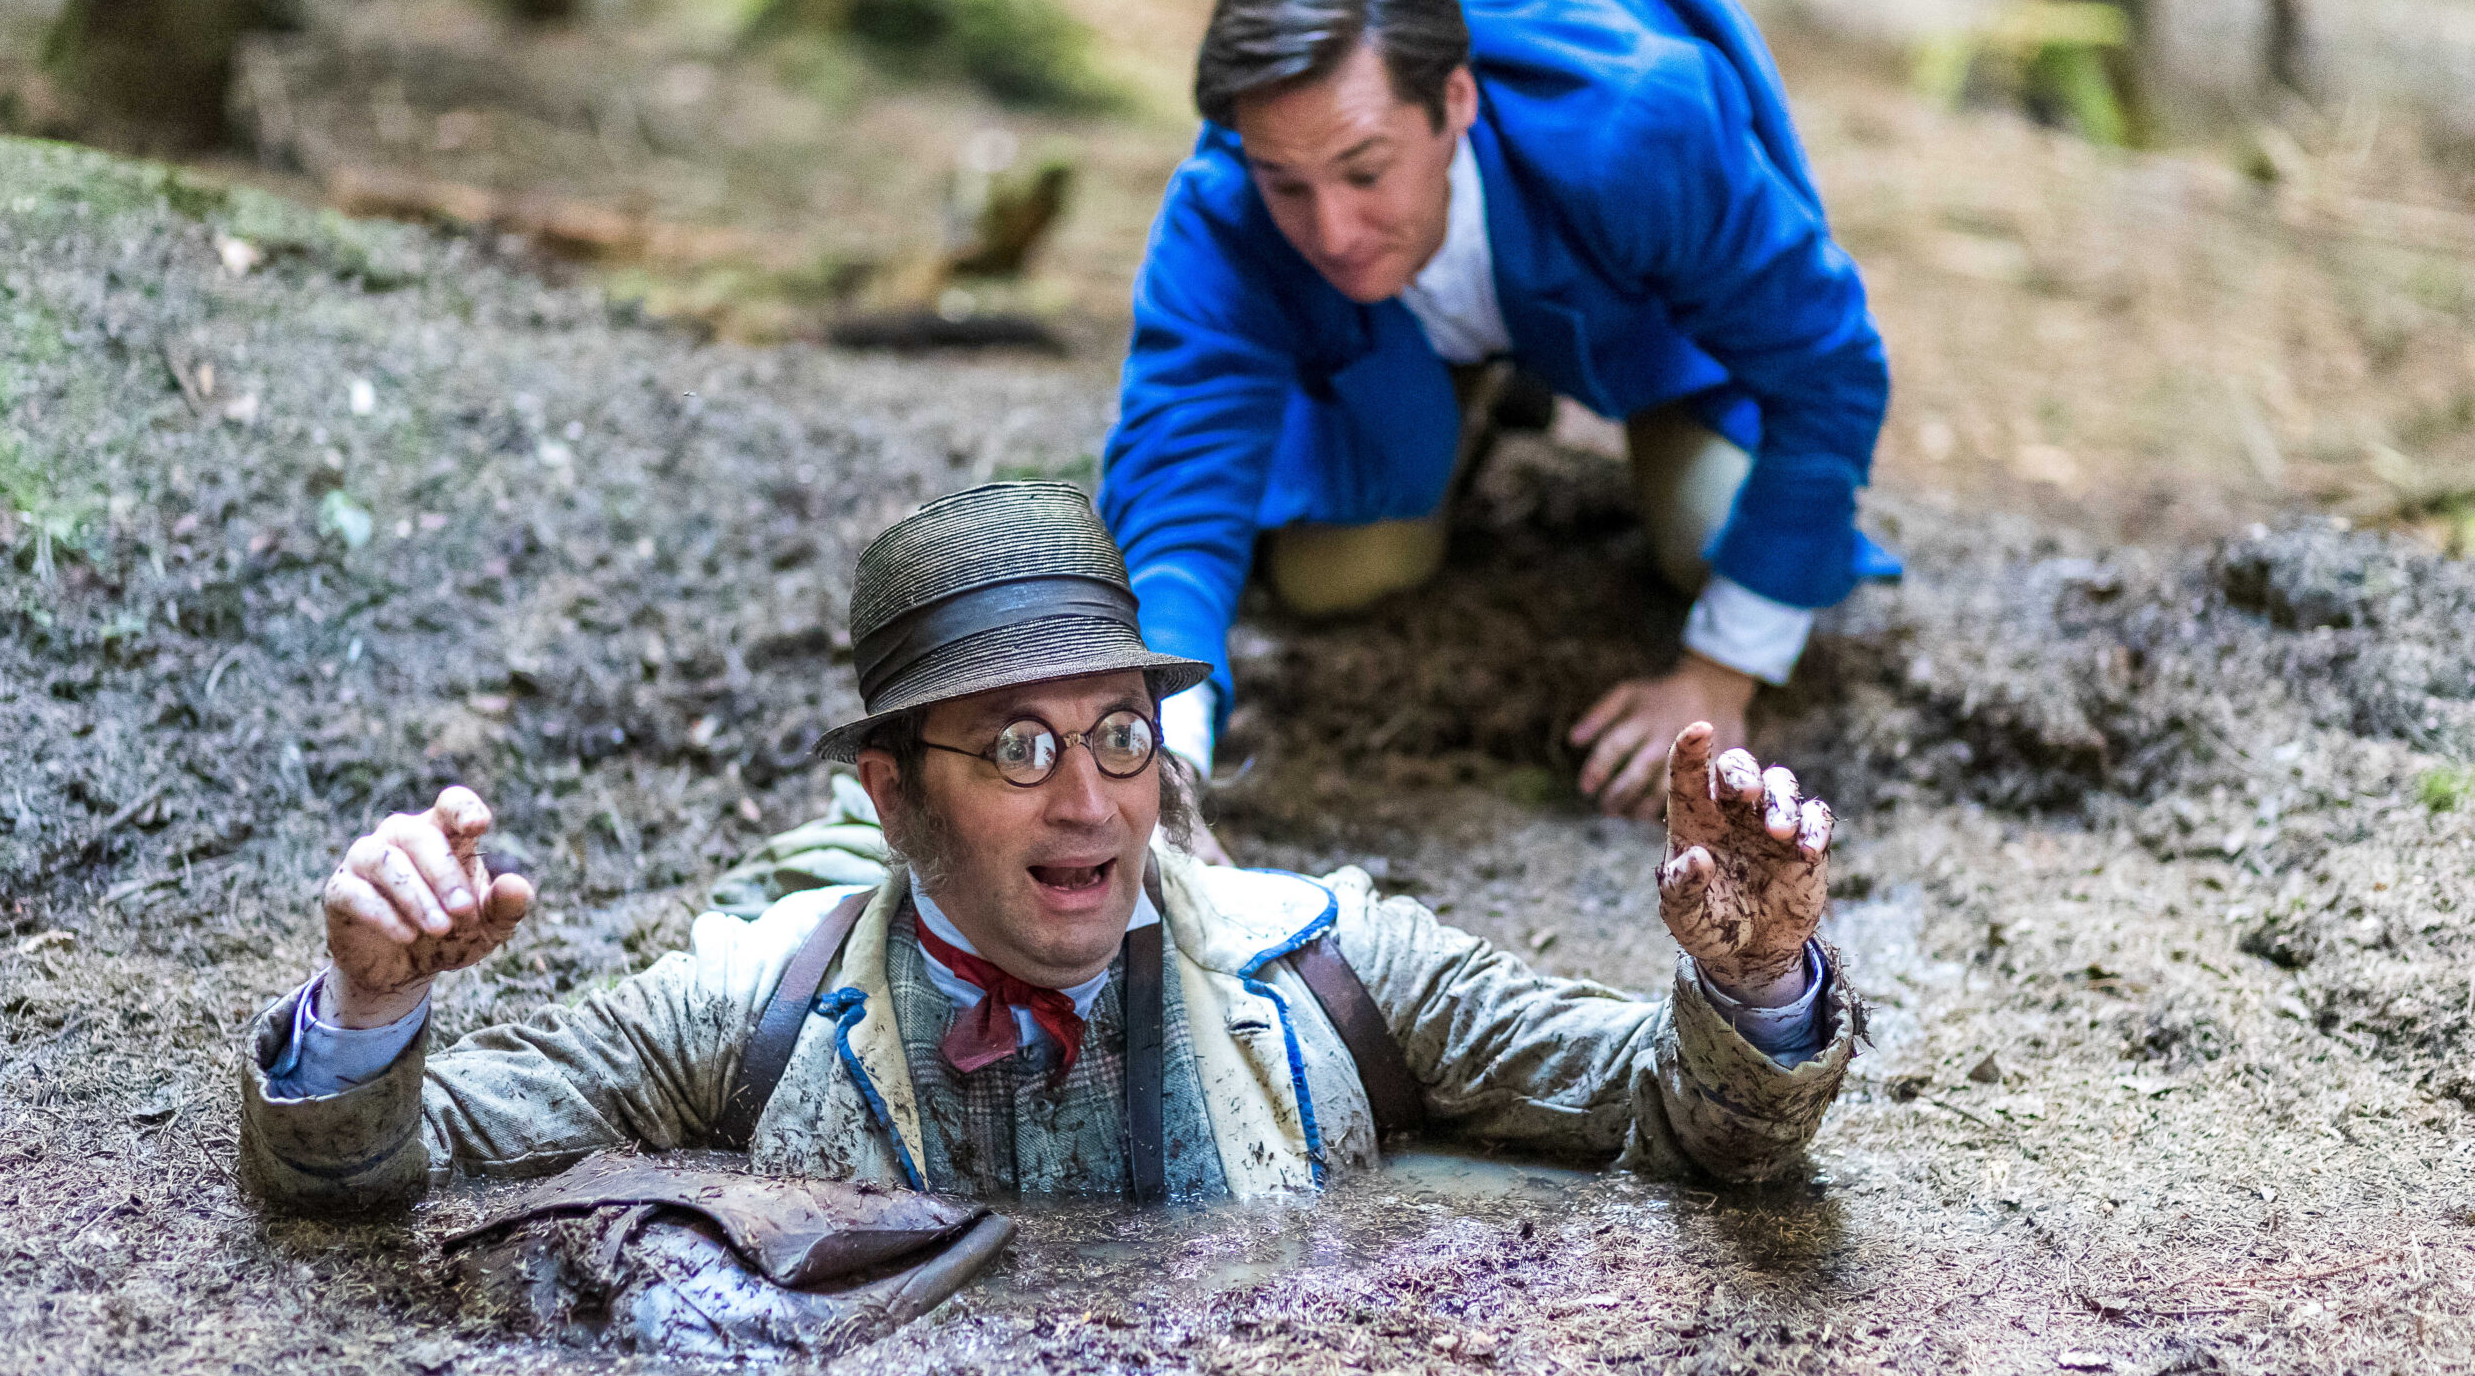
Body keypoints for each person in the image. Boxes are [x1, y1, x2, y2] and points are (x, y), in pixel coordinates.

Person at [240, 482, 1859, 1221]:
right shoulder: (738, 1005)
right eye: (1018, 746)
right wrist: (367, 999)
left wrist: (1760, 979)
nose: (1088, 799)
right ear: (894, 786)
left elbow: (1691, 1128)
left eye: (1119, 735)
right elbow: (388, 1163)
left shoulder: (1339, 968)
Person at [1099, 0, 1893, 822]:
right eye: (1288, 186)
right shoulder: (1226, 199)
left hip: (1637, 306)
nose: (1331, 233)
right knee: (1336, 572)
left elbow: (1831, 367)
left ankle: (1566, 386)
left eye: (1365, 171)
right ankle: (1473, 409)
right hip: (1402, 330)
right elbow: (1179, 487)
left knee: (1708, 539)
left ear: (1457, 101)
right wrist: (1161, 767)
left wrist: (1719, 674)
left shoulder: (1638, 125)